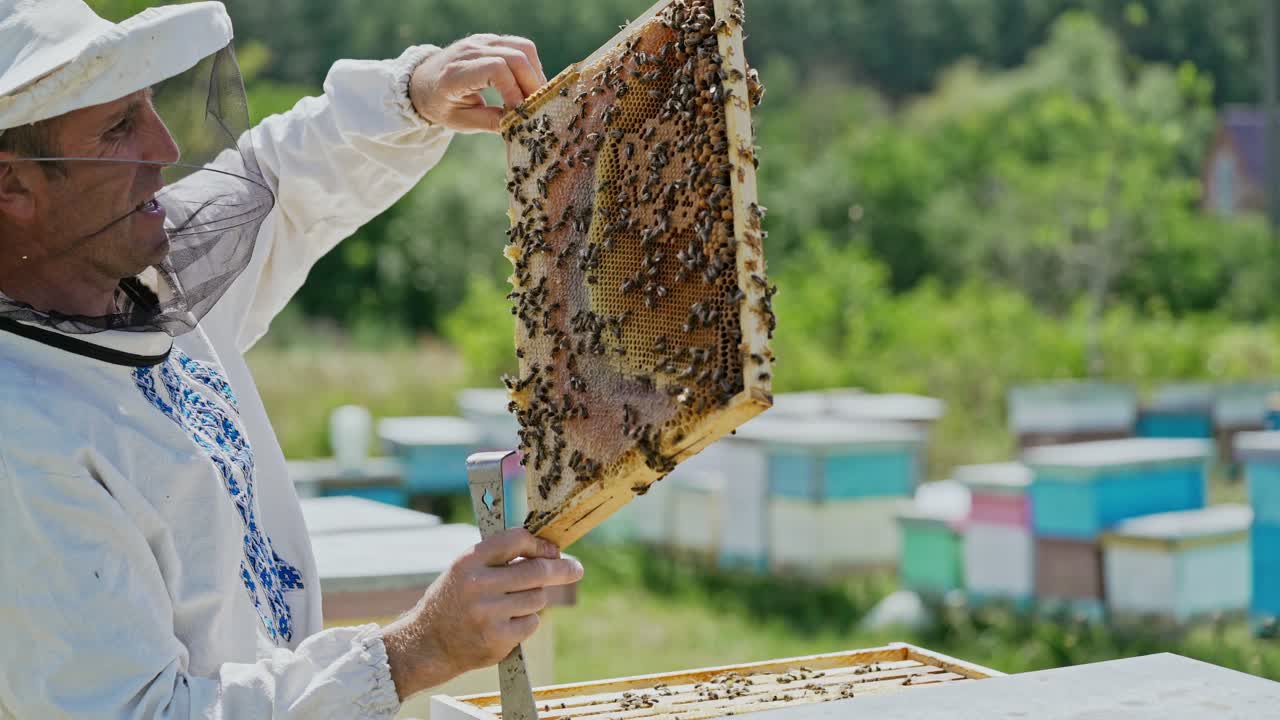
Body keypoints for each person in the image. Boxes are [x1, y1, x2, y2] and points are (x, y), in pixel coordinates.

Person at [0, 1, 583, 717]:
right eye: (118, 128)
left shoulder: (127, 272)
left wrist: (414, 93)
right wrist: (413, 651)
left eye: (149, 107)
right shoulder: (23, 445)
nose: (161, 145)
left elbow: (280, 180)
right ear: (14, 188)